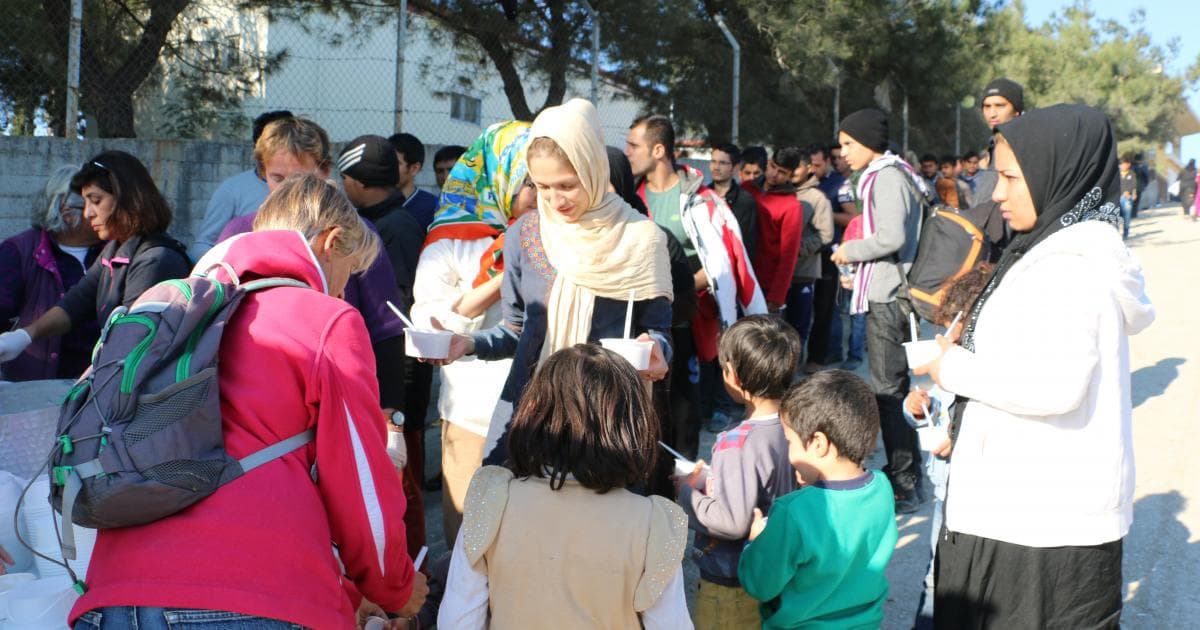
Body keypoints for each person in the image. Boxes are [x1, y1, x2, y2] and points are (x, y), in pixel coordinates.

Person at [69, 174, 429, 629]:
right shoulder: (326, 319)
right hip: (252, 596)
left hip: (110, 594)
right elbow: (361, 484)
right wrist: (394, 587)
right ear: (330, 241)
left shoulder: (165, 309)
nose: (341, 290)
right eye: (347, 273)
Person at [920, 104, 1155, 628]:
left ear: (1057, 172)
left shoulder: (1071, 269)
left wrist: (949, 368)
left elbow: (1053, 385)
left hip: (1036, 527)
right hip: (1024, 512)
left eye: (1008, 177)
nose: (997, 192)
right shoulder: (1047, 250)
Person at [212, 116, 423, 556]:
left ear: (325, 173)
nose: (289, 191)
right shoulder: (237, 234)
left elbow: (385, 330)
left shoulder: (355, 237)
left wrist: (390, 420)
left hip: (341, 412)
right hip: (261, 426)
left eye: (300, 178)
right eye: (277, 178)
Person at [433, 99, 674, 465]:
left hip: (604, 417)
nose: (554, 200)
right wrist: (466, 343)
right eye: (542, 187)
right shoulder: (524, 235)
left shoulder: (641, 238)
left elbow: (659, 330)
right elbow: (517, 332)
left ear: (593, 169)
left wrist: (655, 349)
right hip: (530, 411)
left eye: (567, 185)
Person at [438, 344, 690, 629]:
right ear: (632, 424)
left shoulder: (493, 501)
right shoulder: (654, 524)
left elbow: (457, 622)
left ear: (535, 414)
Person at [411, 119, 534, 546]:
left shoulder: (561, 238)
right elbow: (430, 326)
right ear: (500, 179)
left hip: (543, 411)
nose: (543, 197)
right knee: (469, 538)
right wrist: (508, 274)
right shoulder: (451, 241)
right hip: (475, 415)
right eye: (530, 185)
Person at [626, 114, 766, 451]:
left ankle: (682, 479)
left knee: (683, 407)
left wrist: (678, 287)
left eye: (634, 145)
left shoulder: (700, 200)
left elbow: (721, 263)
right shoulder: (630, 198)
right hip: (638, 321)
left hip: (684, 320)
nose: (627, 152)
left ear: (659, 150)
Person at [738, 369, 899, 629]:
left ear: (818, 444)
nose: (789, 453)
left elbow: (759, 584)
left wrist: (755, 543)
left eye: (789, 441)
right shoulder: (882, 487)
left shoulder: (793, 512)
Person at [0, 152, 191, 369]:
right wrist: (25, 335)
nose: (88, 213)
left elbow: (131, 343)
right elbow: (78, 301)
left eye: (96, 201)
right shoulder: (115, 249)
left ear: (126, 197)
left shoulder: (155, 260)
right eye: (85, 203)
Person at [676, 315, 800, 629]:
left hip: (730, 579)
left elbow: (731, 522)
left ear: (732, 375)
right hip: (776, 569)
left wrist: (687, 493)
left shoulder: (737, 443)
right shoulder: (794, 427)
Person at [830, 109, 926, 513]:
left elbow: (890, 236)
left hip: (890, 297)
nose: (843, 151)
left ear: (870, 142)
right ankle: (904, 471)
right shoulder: (888, 173)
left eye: (849, 143)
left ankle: (904, 480)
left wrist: (848, 251)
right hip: (886, 291)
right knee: (891, 388)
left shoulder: (885, 177)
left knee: (888, 391)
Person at [902, 262, 994, 629]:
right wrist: (917, 407)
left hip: (985, 497)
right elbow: (935, 409)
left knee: (983, 583)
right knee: (935, 576)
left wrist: (958, 439)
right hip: (947, 494)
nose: (946, 339)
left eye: (956, 330)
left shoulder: (995, 366)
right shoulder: (952, 360)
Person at [0, 165, 102, 381]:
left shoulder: (115, 250)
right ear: (67, 212)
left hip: (104, 385)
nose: (106, 212)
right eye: (94, 203)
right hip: (41, 387)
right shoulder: (19, 252)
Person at [189, 110, 292, 260]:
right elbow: (205, 244)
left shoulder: (316, 193)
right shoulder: (232, 191)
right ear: (258, 149)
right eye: (273, 143)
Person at [744, 147, 805, 314]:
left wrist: (777, 297)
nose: (774, 174)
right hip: (739, 277)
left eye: (782, 172)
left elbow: (788, 255)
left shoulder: (792, 207)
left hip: (765, 285)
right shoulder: (746, 189)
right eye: (773, 167)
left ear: (790, 175)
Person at [789, 153, 835, 351]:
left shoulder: (817, 198)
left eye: (796, 167)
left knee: (799, 326)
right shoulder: (778, 192)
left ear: (808, 168)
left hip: (803, 273)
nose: (791, 172)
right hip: (776, 274)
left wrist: (794, 248)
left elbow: (825, 235)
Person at [709, 142, 759, 260]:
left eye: (722, 163)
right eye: (713, 161)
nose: (716, 167)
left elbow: (748, 245)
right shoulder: (699, 197)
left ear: (736, 168)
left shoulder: (746, 201)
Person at [387, 132, 440, 231]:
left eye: (395, 163)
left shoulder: (433, 208)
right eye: (386, 161)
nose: (388, 167)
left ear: (414, 168)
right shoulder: (375, 203)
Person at [1119, 155, 1137, 239]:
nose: (1122, 166)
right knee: (1118, 215)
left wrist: (1133, 193)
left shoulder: (1131, 173)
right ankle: (1117, 233)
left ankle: (1125, 233)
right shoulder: (1117, 174)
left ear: (1128, 164)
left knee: (1127, 216)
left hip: (1127, 198)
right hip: (1118, 197)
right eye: (1121, 164)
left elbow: (1134, 185)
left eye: (1124, 164)